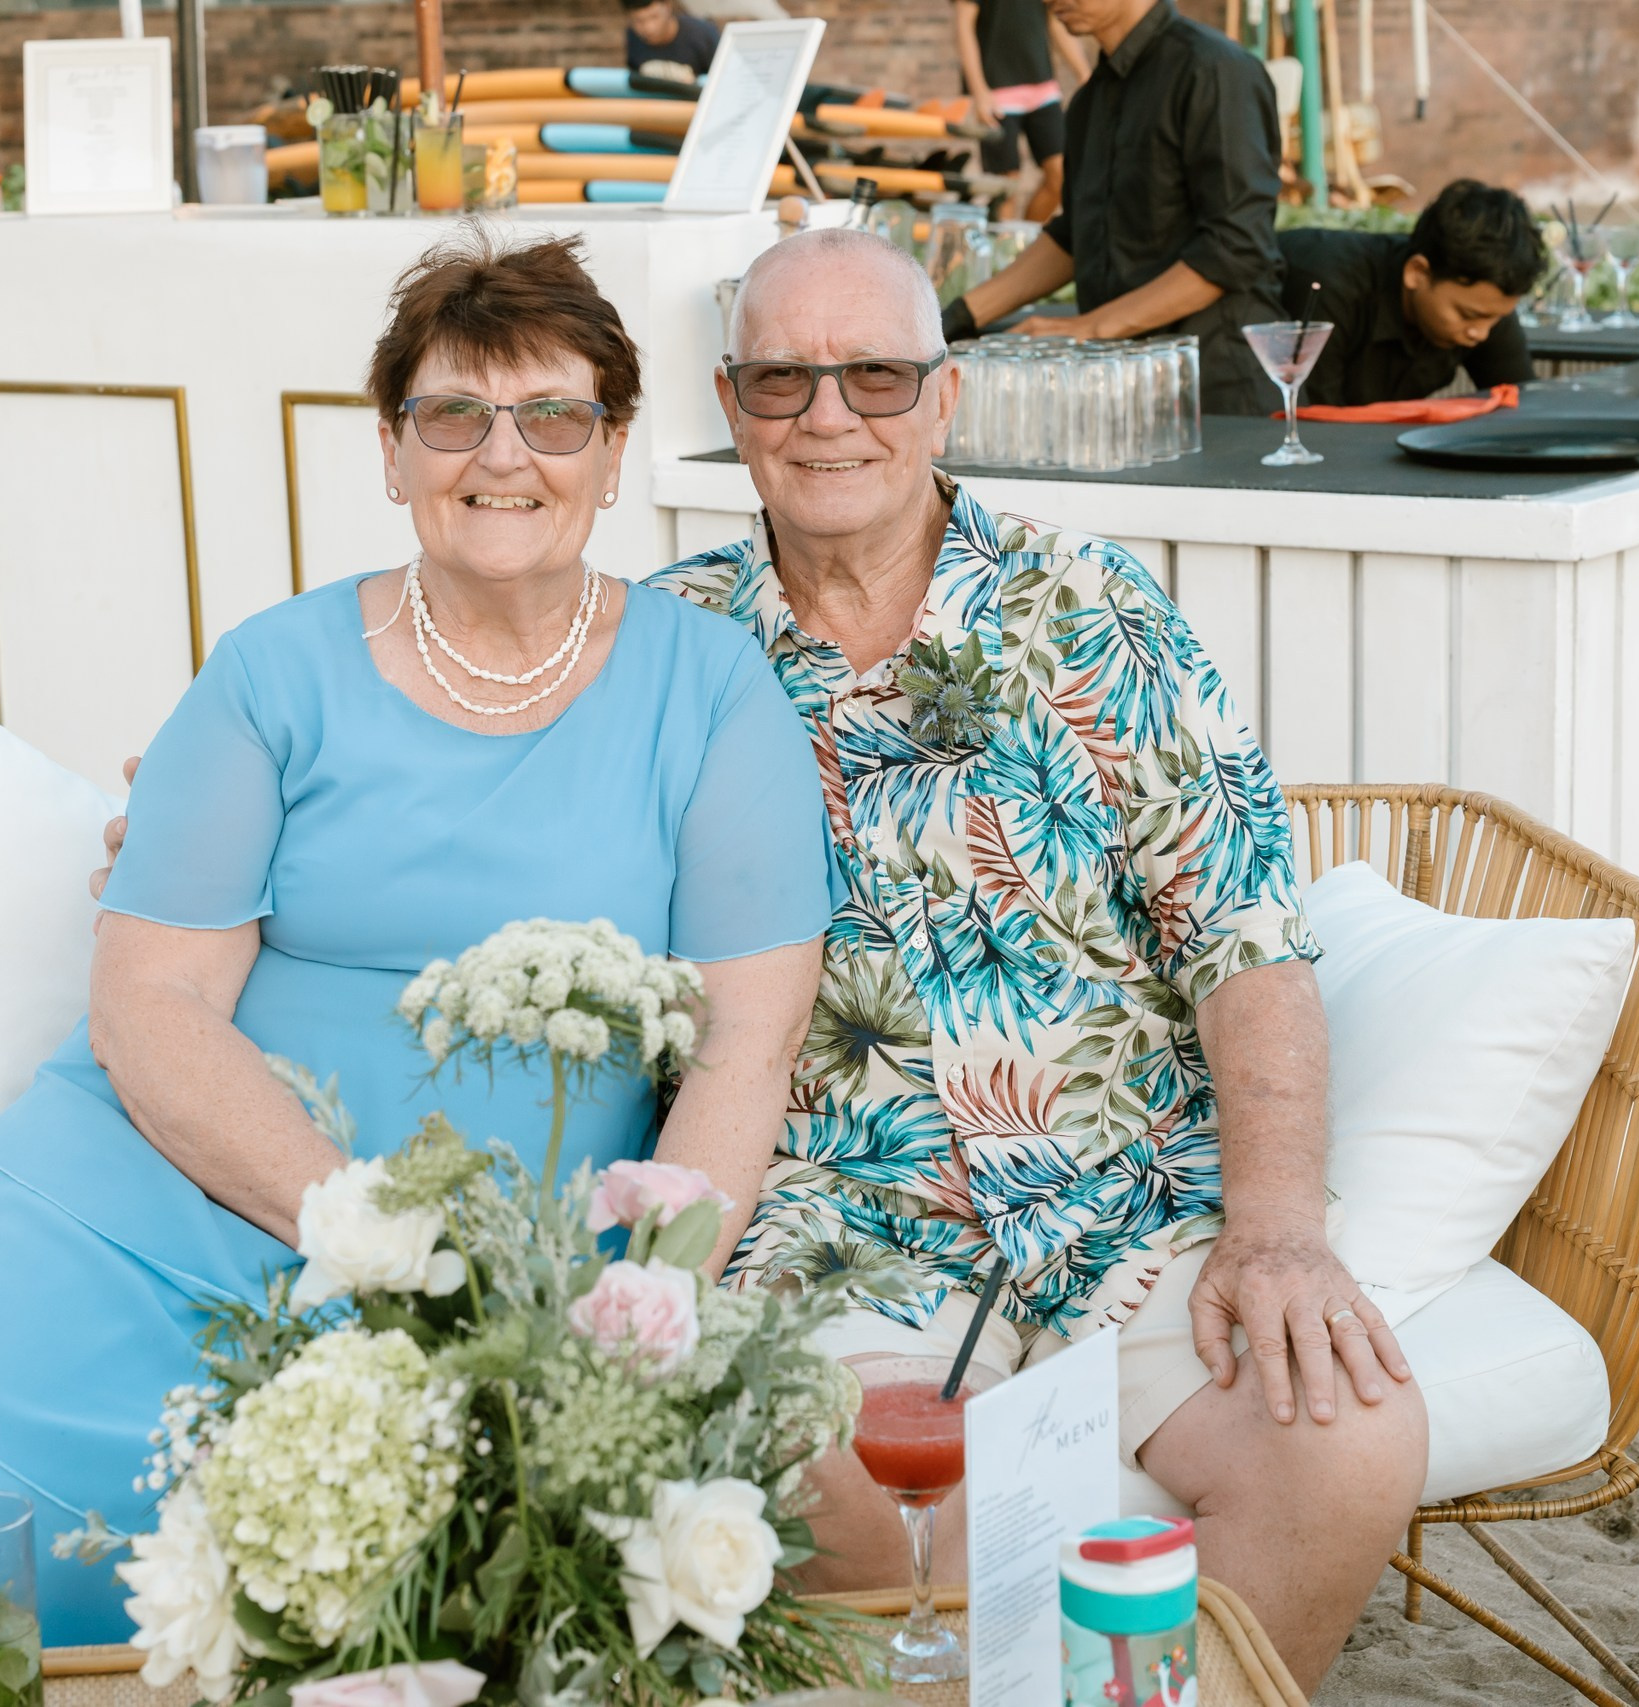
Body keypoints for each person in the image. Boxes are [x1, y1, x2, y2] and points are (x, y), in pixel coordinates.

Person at [0, 233, 832, 1707]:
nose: (504, 456)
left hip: (517, 1253)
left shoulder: (711, 692)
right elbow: (151, 1001)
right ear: (390, 449)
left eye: (553, 416)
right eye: (454, 415)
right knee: (10, 1532)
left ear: (613, 449)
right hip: (161, 1201)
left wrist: (638, 1306)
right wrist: (362, 1228)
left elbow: (744, 1046)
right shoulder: (268, 675)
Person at [656, 228, 1427, 1692]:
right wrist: (231, 825)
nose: (831, 416)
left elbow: (1246, 938)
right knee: (854, 1488)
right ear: (731, 399)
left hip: (1126, 1194)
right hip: (841, 1218)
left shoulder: (1092, 608)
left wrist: (1273, 1218)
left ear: (945, 400)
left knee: (1343, 1441)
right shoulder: (664, 649)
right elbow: (480, 796)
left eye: (877, 375)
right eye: (784, 381)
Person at [942, 0, 1287, 416]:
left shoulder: (1214, 69)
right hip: (1120, 387)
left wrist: (1086, 328)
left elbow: (1236, 248)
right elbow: (1077, 234)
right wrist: (952, 318)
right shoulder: (1090, 100)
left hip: (1219, 385)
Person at [1278, 179, 1545, 406]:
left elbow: (1520, 409)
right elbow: (1309, 424)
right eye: (1466, 315)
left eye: (1495, 319)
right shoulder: (1326, 287)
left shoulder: (1484, 302)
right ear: (1417, 273)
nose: (1481, 333)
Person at [950, 0, 1092, 223]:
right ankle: (1004, 253)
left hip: (1043, 89)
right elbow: (963, 27)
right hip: (997, 94)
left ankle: (1025, 245)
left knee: (1062, 175)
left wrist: (1085, 75)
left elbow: (1057, 21)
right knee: (1007, 188)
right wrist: (979, 91)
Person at [623, 0, 721, 77]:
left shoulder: (703, 35)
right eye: (638, 21)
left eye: (654, 17)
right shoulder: (633, 36)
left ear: (667, 6)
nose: (649, 28)